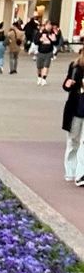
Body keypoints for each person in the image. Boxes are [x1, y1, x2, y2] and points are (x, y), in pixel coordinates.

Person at [61, 46, 84, 184]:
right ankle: (71, 171)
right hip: (76, 107)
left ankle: (81, 174)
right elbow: (66, 84)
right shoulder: (75, 66)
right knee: (73, 141)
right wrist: (68, 84)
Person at [36, 21, 57, 85]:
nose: (49, 26)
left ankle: (44, 78)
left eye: (50, 25)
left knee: (46, 66)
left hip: (49, 52)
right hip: (40, 52)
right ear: (45, 26)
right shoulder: (40, 32)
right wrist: (40, 39)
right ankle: (39, 77)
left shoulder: (52, 33)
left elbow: (56, 42)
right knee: (39, 67)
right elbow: (35, 41)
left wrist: (54, 38)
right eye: (47, 25)